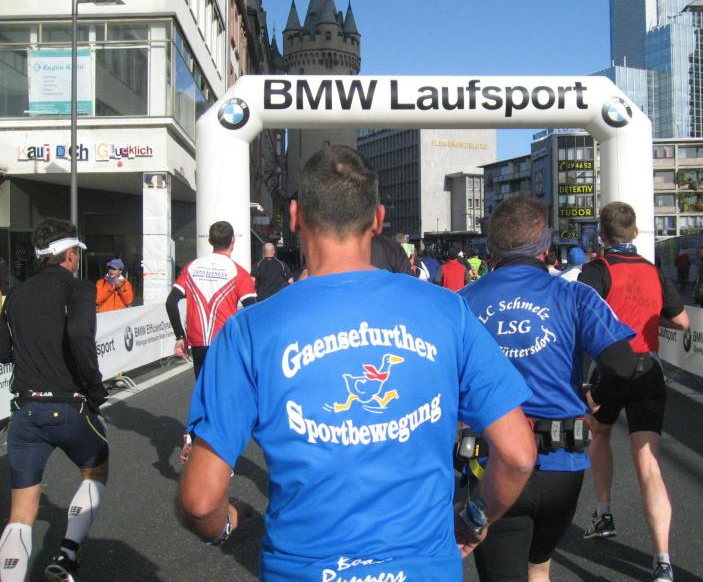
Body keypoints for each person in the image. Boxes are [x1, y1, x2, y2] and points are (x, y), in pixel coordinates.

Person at [178, 146, 536, 581]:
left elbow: (200, 502)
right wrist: (475, 518)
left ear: (295, 216)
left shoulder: (247, 331)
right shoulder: (447, 311)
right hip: (425, 567)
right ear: (378, 219)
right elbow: (518, 455)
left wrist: (224, 525)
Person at [460, 196, 659, 582]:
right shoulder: (575, 295)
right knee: (539, 568)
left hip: (493, 463)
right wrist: (594, 398)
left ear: (492, 247)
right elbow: (624, 363)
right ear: (546, 246)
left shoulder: (462, 302)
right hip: (561, 467)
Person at [578, 202, 688, 582]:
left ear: (601, 235)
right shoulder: (654, 271)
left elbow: (580, 319)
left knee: (600, 433)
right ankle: (662, 560)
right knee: (649, 464)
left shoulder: (596, 271)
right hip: (648, 370)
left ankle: (604, 512)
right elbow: (682, 321)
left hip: (611, 370)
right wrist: (651, 321)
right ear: (636, 233)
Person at [0, 219, 110, 582]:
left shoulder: (16, 294)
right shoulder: (79, 288)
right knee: (95, 471)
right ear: (70, 254)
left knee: (20, 513)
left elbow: (3, 351)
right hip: (71, 406)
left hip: (26, 411)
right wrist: (94, 389)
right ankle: (67, 555)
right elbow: (80, 335)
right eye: (76, 253)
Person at [165, 221, 257, 379]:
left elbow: (171, 302)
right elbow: (252, 311)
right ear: (233, 240)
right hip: (225, 341)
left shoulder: (191, 267)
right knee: (224, 390)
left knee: (203, 391)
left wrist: (180, 336)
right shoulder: (239, 272)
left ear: (210, 241)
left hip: (198, 342)